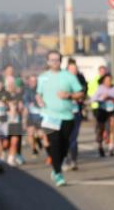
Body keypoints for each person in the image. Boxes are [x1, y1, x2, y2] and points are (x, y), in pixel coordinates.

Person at [36, 50, 84, 187]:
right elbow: (38, 94)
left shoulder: (68, 76)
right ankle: (58, 173)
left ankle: (56, 165)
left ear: (60, 61)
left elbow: (80, 93)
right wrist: (39, 100)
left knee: (64, 145)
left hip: (67, 116)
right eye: (51, 60)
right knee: (54, 143)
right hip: (49, 115)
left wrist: (68, 95)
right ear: (47, 61)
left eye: (57, 60)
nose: (54, 62)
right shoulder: (43, 77)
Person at [66, 59, 88, 170]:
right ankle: (65, 158)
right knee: (65, 137)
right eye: (71, 69)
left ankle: (73, 160)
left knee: (73, 137)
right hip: (63, 113)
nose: (74, 71)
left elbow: (84, 91)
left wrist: (81, 96)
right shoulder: (62, 80)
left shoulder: (80, 78)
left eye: (75, 69)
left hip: (76, 112)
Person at [91, 73, 114, 157]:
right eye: (107, 80)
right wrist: (102, 98)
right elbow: (93, 99)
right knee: (101, 129)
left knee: (111, 128)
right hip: (102, 111)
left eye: (110, 80)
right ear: (103, 81)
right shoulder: (100, 88)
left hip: (112, 110)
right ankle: (100, 146)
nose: (108, 82)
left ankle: (111, 148)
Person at [4, 76, 25, 166]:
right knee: (6, 143)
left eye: (12, 84)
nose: (11, 86)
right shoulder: (3, 95)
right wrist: (9, 106)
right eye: (9, 84)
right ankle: (4, 156)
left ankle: (11, 158)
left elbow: (21, 107)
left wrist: (19, 108)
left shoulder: (18, 95)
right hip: (5, 122)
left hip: (16, 121)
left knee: (15, 140)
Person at [23, 74, 45, 157]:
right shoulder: (26, 91)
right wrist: (24, 120)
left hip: (40, 117)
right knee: (30, 134)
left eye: (35, 81)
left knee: (41, 134)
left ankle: (38, 140)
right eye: (31, 81)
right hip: (30, 116)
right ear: (28, 82)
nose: (33, 82)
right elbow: (26, 106)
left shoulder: (41, 90)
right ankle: (34, 150)